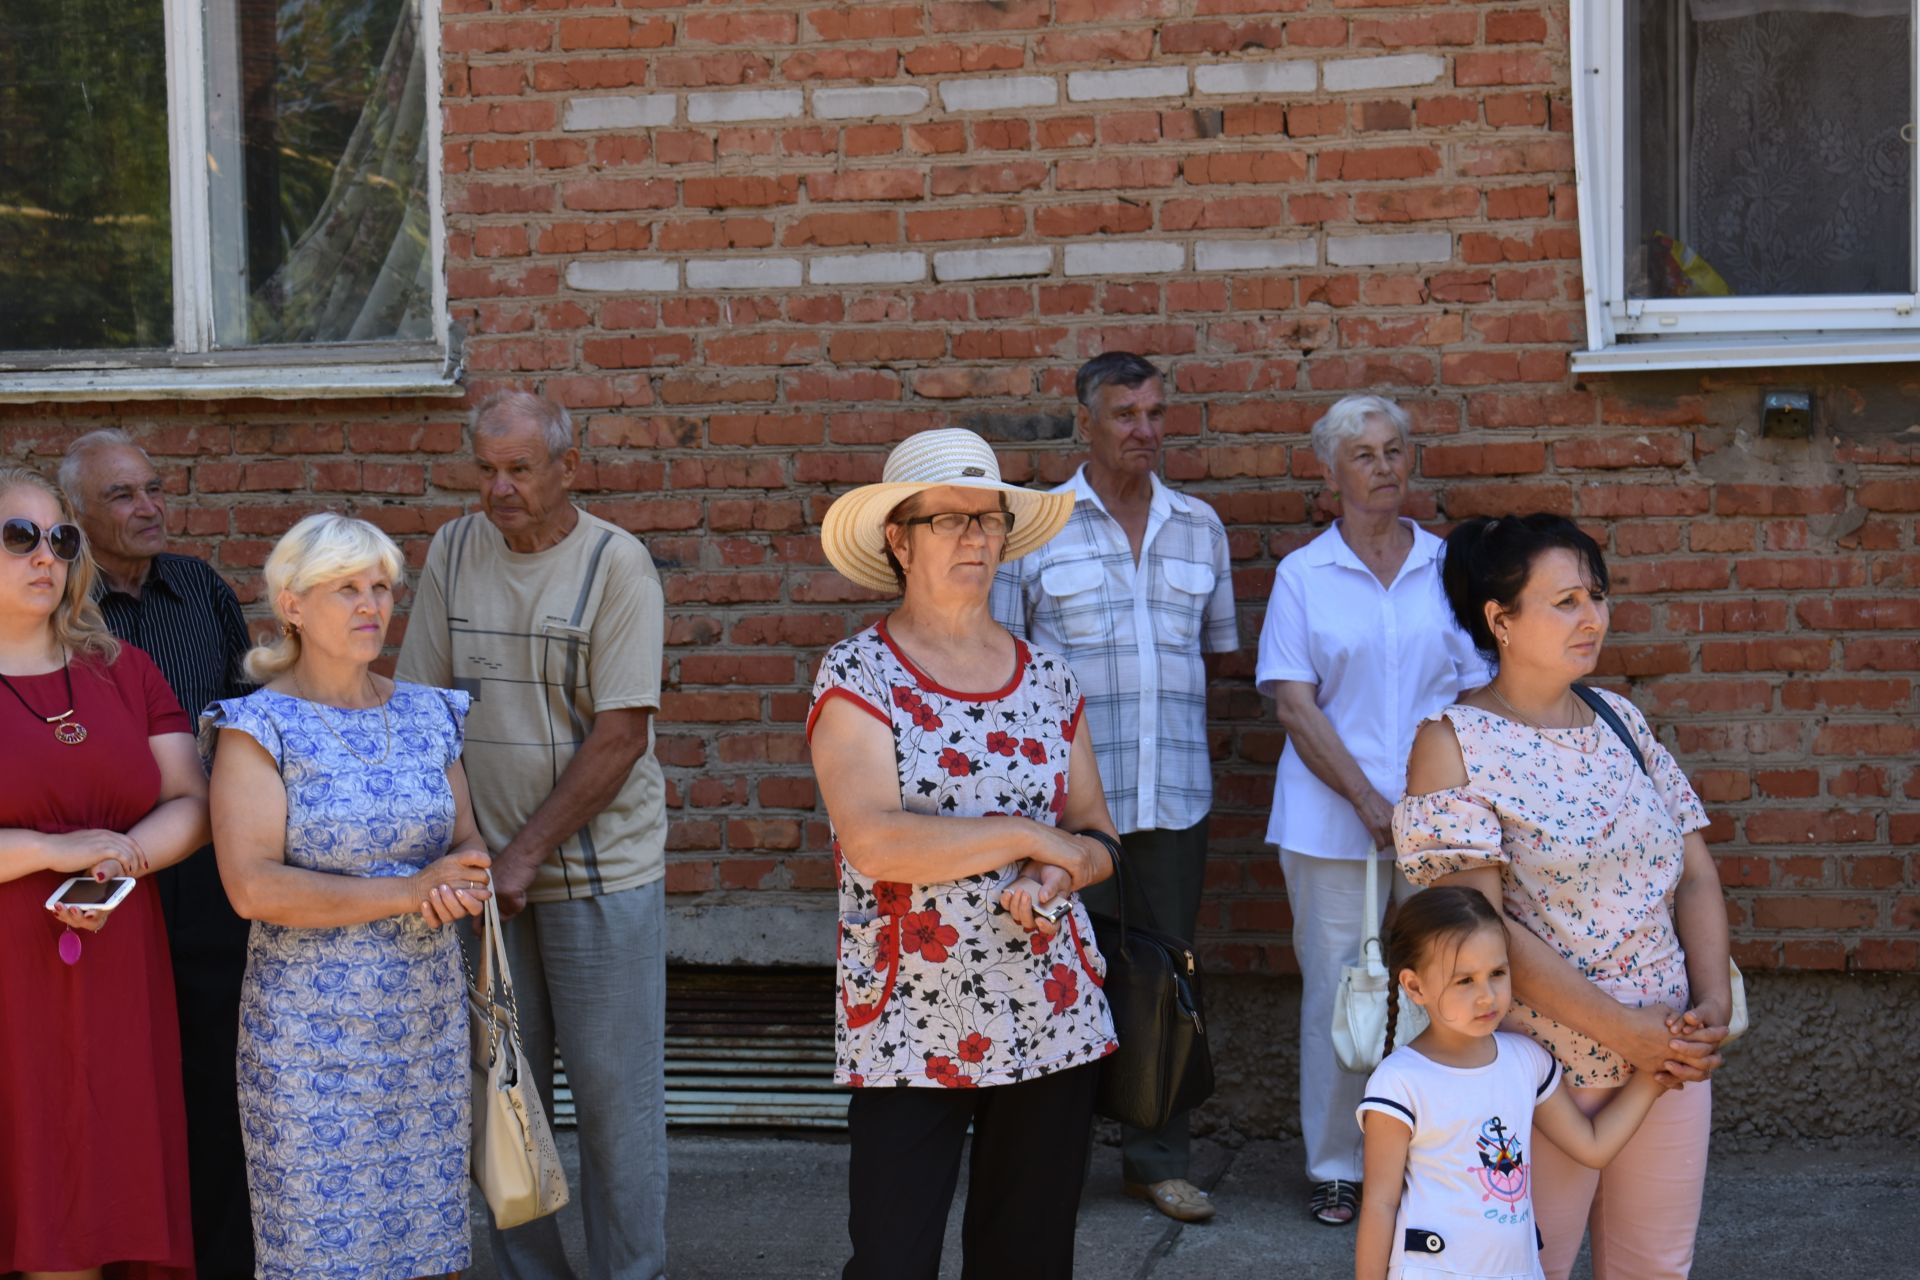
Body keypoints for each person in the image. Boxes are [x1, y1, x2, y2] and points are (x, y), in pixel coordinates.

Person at [812, 427, 1121, 1280]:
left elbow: (1097, 836)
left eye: (987, 520)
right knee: (892, 1259)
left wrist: (1062, 868)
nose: (976, 538)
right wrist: (1027, 836)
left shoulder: (1049, 677)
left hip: (1048, 1007)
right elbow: (876, 839)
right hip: (911, 1018)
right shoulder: (858, 674)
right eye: (949, 521)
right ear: (899, 541)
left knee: (1026, 1258)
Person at [1395, 513, 1732, 1280]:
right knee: (1523, 1268)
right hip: (1535, 1073)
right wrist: (1624, 1030)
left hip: (1668, 1059)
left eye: (1597, 597)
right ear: (1500, 620)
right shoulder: (1451, 745)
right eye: (1567, 601)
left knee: (1656, 1266)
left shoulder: (1621, 719)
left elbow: (1698, 872)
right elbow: (1478, 936)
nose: (1593, 618)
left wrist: (1710, 1005)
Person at [396, 389, 670, 1280]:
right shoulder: (454, 549)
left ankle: (634, 1274)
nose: (499, 489)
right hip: (485, 882)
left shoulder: (615, 566)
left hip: (598, 877)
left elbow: (621, 735)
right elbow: (425, 712)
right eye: (486, 469)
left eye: (519, 469)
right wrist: (469, 851)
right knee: (502, 1100)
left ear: (567, 468)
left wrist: (524, 854)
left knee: (613, 1107)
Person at [204, 512, 491, 1280]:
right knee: (321, 1253)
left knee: (430, 1251)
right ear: (291, 604)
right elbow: (251, 884)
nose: (371, 606)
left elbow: (466, 839)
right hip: (309, 1042)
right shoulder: (257, 727)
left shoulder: (431, 715)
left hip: (423, 1025)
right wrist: (407, 891)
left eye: (381, 588)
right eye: (345, 590)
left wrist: (464, 876)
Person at [989, 351, 1237, 1224]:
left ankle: (1158, 1159)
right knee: (1049, 979)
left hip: (1174, 797)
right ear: (1084, 421)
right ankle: (1040, 1165)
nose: (1145, 430)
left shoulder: (1201, 528)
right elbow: (1003, 666)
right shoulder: (1037, 531)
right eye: (1126, 414)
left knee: (1165, 981)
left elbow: (1213, 648)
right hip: (1060, 809)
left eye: (1157, 413)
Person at [1253, 394, 1480, 1226]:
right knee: (1341, 994)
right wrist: (1367, 800)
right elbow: (1294, 703)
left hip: (1437, 818)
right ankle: (1336, 1166)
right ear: (1330, 472)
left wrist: (1423, 802)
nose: (1384, 469)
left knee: (1440, 987)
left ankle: (1431, 1152)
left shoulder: (1443, 564)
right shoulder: (1305, 574)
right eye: (1365, 455)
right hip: (1328, 822)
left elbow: (1471, 691)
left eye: (1394, 451)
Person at [0, 465, 208, 1279]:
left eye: (60, 538)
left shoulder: (123, 669)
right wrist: (58, 851)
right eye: (19, 537)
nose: (45, 555)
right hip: (11, 976)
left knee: (106, 1191)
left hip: (116, 954)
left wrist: (119, 863)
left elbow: (192, 798)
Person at [62, 427, 257, 1280]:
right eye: (122, 496)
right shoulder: (57, 604)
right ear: (74, 516)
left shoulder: (202, 588)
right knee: (108, 1078)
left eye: (152, 489)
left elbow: (248, 714)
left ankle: (213, 1263)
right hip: (97, 872)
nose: (149, 509)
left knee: (216, 1077)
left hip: (208, 866)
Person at [1354, 887, 1667, 1280]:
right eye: (1464, 980)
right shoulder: (1398, 1083)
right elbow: (1380, 1204)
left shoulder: (1526, 1061)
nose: (1487, 996)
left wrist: (1655, 1076)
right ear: (1415, 987)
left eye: (1497, 974)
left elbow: (1592, 1146)